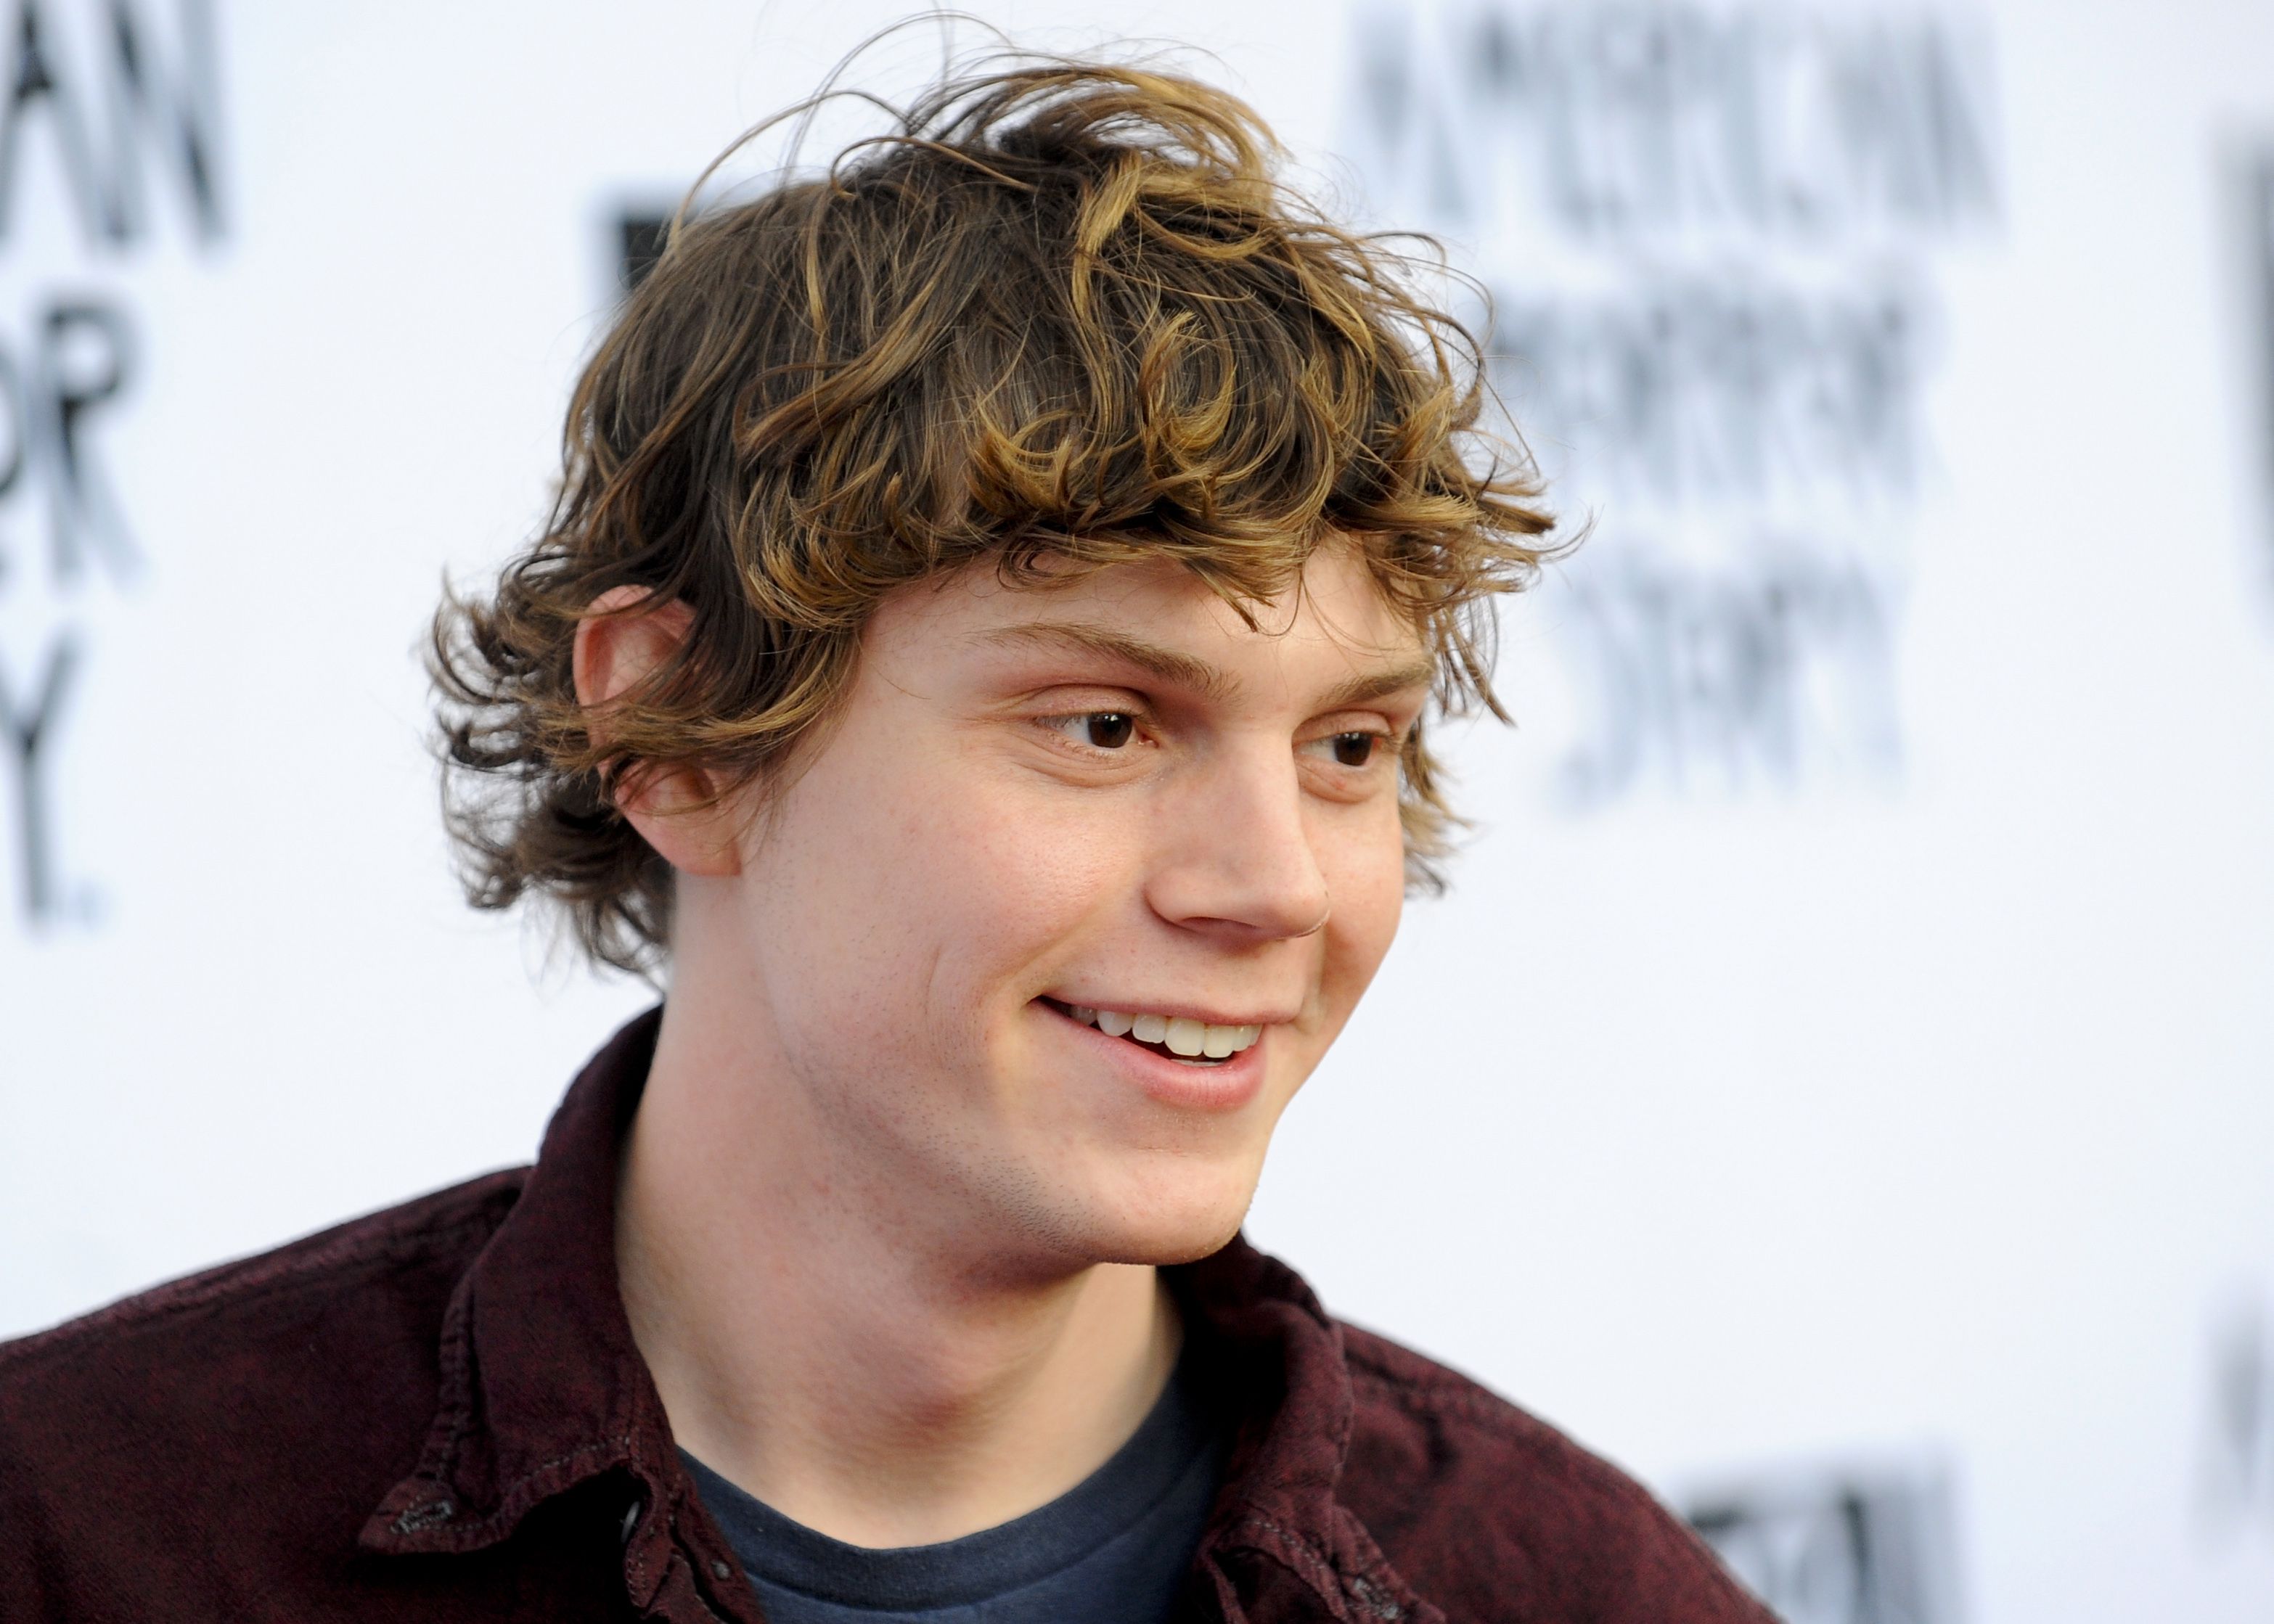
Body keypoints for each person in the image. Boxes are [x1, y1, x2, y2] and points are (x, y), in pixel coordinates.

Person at [0, 54, 1775, 1624]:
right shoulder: (91, 1536)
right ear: (676, 739)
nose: (1275, 887)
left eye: (1347, 746)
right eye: (1104, 724)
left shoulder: (1562, 1586)